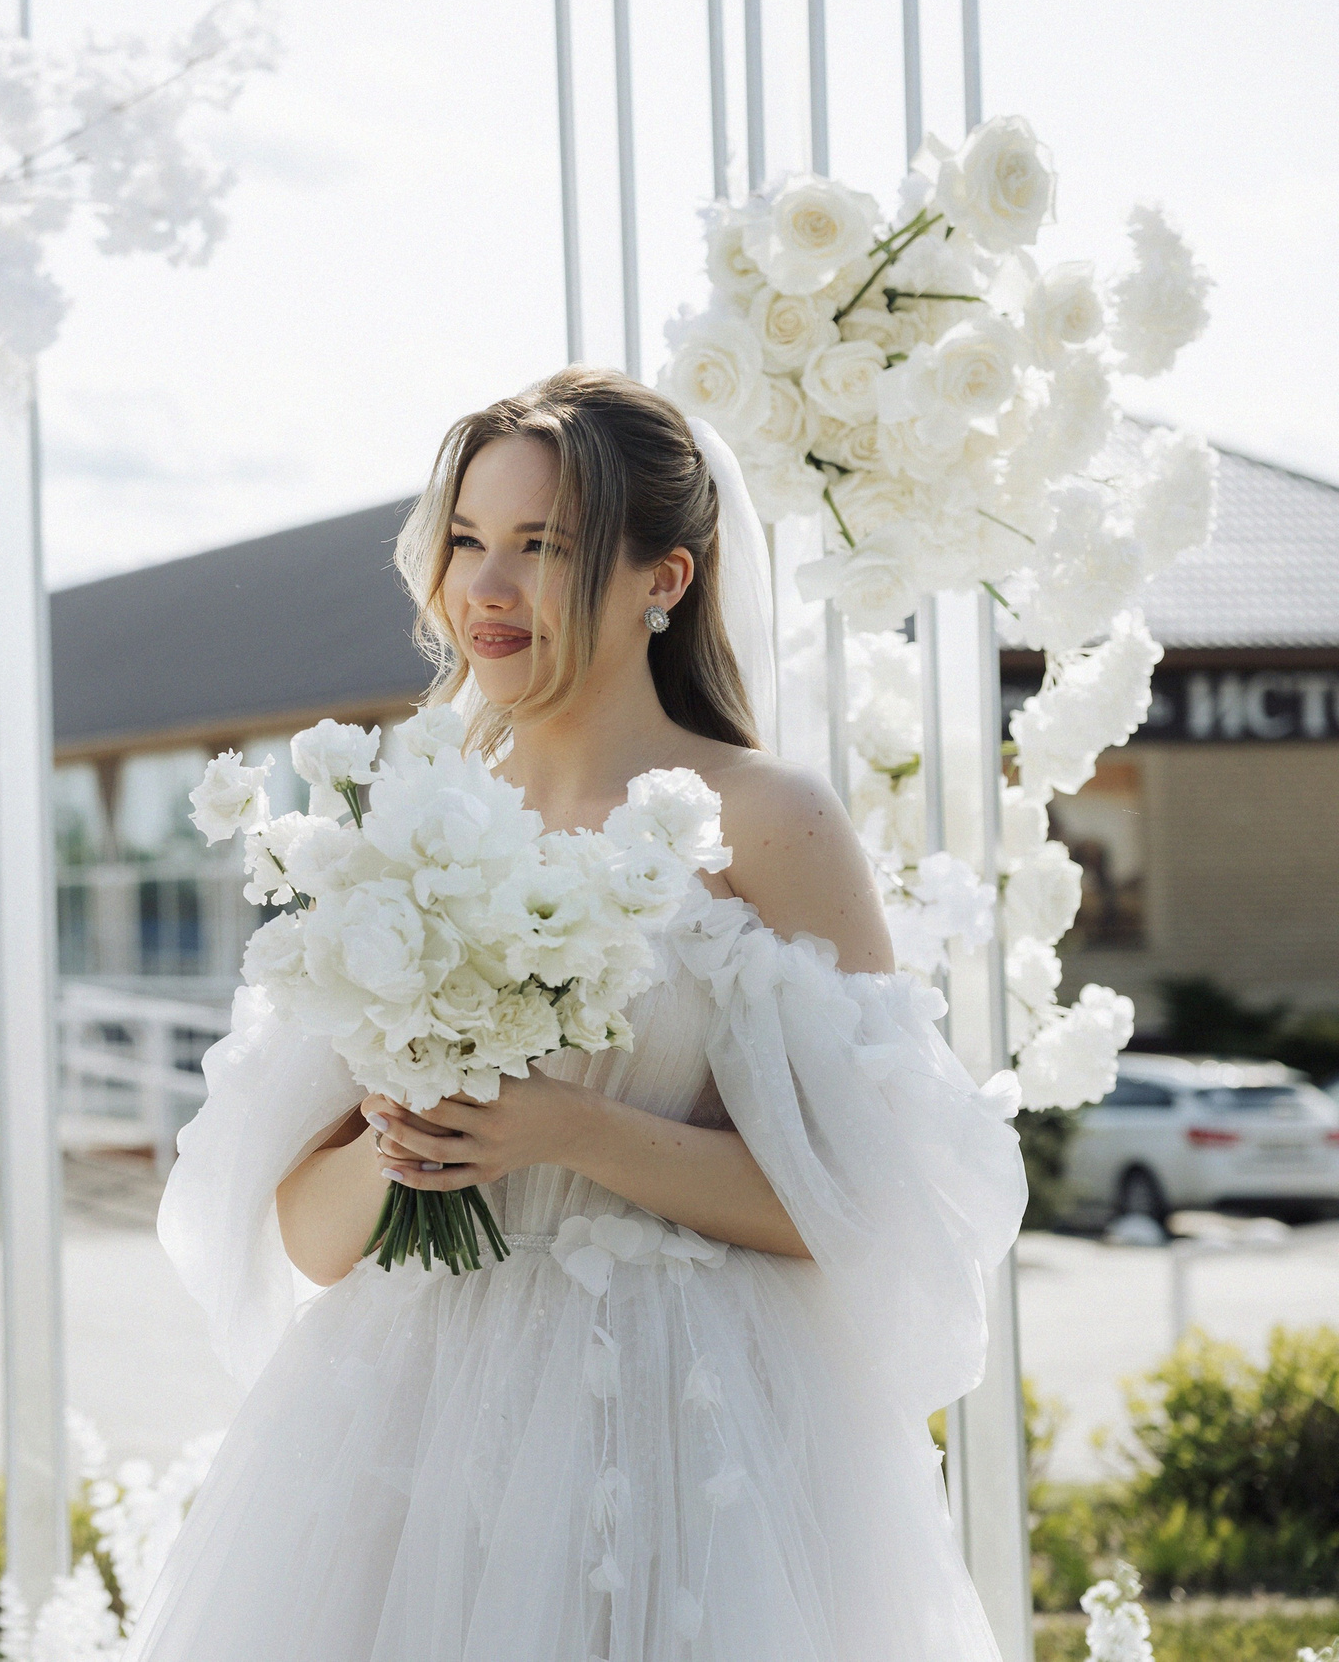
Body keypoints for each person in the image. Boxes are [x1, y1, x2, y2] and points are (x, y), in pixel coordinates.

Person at [139, 369, 1027, 1660]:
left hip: (693, 1443)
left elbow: (867, 1205)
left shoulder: (769, 819)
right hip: (407, 1443)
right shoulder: (403, 816)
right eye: (465, 542)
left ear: (663, 577)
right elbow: (316, 1241)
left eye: (543, 547)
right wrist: (414, 1142)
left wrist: (567, 1130)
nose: (486, 589)